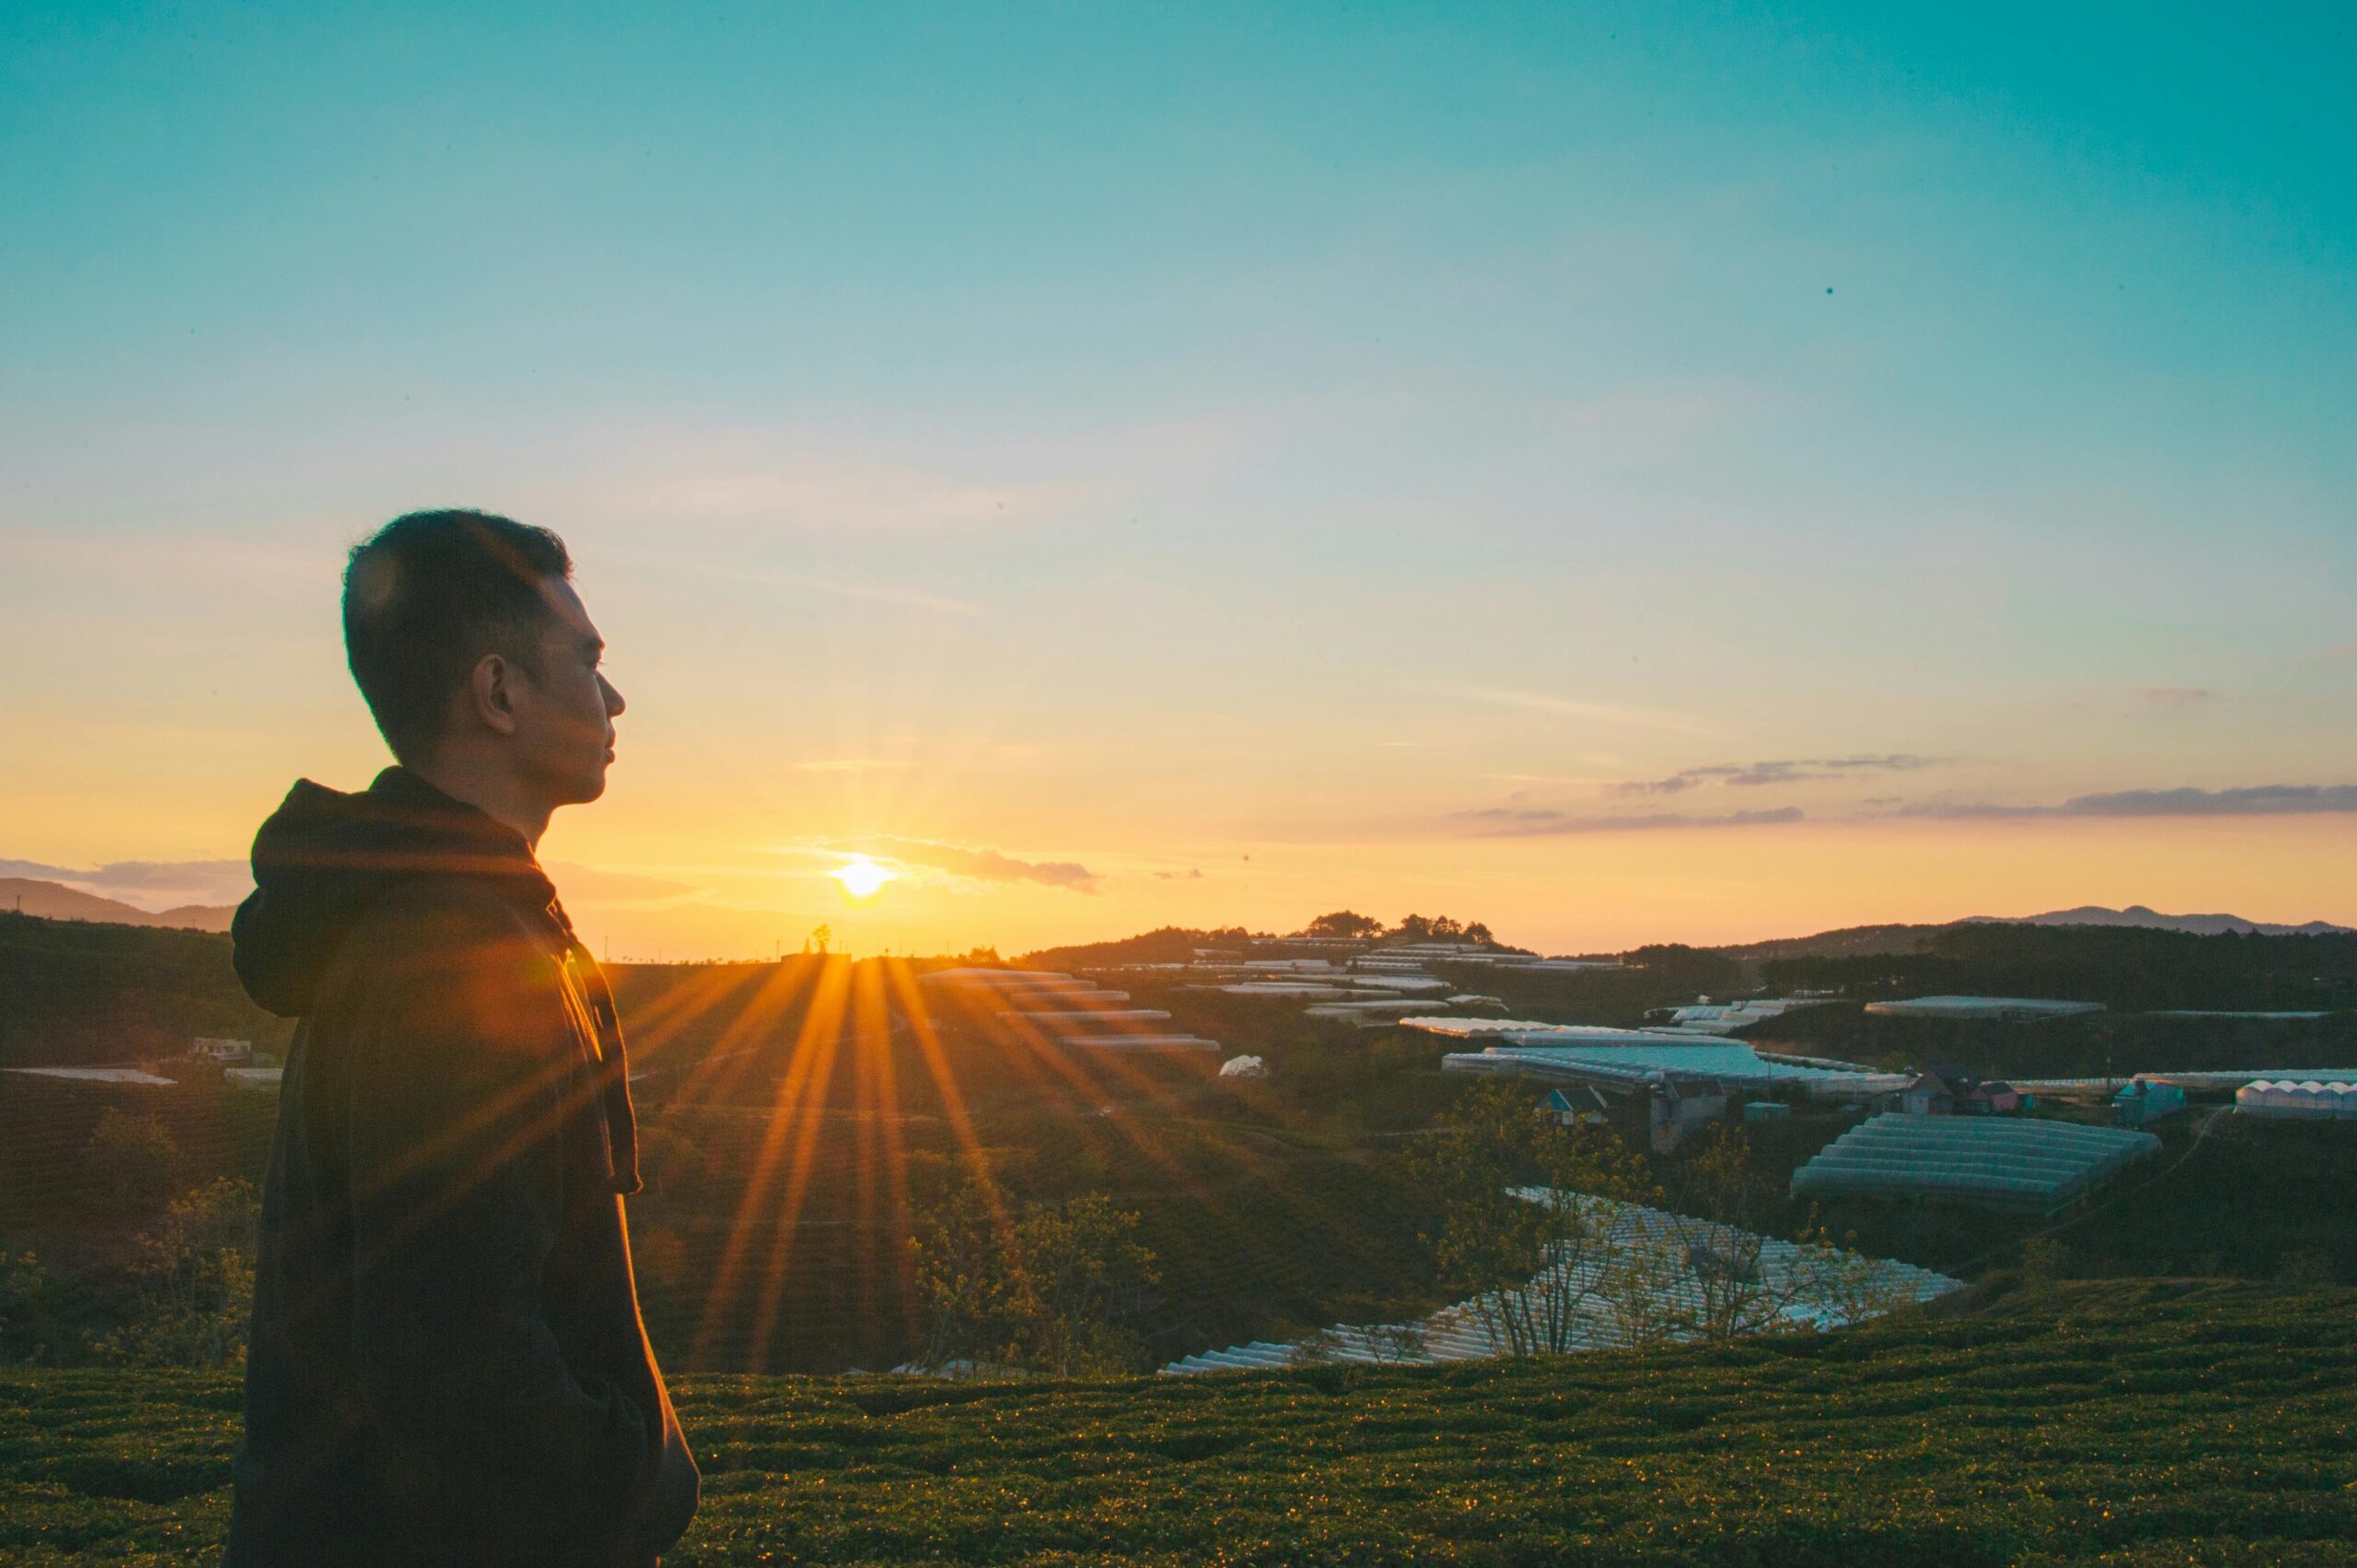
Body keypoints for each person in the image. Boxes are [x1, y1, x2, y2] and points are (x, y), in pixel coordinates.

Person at [221, 510, 699, 1568]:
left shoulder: (449, 916)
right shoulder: (449, 956)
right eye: (587, 658)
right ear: (497, 692)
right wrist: (639, 1477)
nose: (614, 696)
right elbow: (455, 1363)